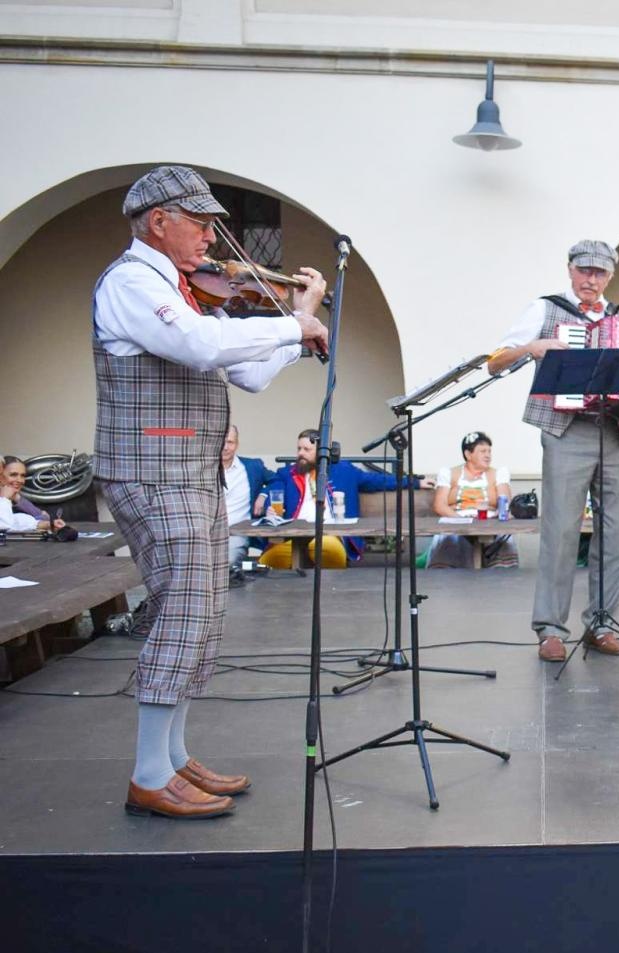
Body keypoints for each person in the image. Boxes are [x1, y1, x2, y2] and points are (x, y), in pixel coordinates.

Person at [95, 165, 327, 818]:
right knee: (183, 611)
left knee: (200, 610)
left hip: (186, 469)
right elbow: (199, 347)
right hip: (151, 466)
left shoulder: (177, 288)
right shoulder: (134, 283)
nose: (210, 235)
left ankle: (170, 757)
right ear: (158, 222)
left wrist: (300, 324)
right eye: (199, 222)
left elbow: (245, 373)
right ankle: (148, 773)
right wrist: (290, 326)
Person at [485, 239, 619, 662]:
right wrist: (533, 349)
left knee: (616, 533)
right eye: (584, 270)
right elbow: (495, 361)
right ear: (570, 270)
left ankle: (602, 623)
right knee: (560, 529)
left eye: (599, 272)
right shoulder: (545, 310)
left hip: (616, 432)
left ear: (610, 275)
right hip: (566, 431)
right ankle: (550, 629)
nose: (591, 279)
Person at [257, 429, 425, 569]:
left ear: (323, 451)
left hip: (331, 534)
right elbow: (274, 489)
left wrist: (415, 482)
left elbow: (378, 480)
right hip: (294, 536)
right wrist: (267, 505)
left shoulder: (345, 471)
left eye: (306, 450)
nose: (300, 453)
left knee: (325, 549)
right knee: (269, 559)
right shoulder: (286, 474)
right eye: (299, 448)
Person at [427, 430, 518, 569]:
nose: (488, 455)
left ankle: (500, 578)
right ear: (468, 454)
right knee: (448, 538)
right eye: (482, 451)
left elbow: (504, 502)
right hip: (456, 520)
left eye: (489, 451)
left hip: (489, 521)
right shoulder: (449, 473)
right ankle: (448, 581)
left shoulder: (498, 474)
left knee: (504, 538)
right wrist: (462, 521)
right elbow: (439, 505)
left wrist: (499, 516)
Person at [219, 427, 270, 565]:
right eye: (221, 442)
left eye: (230, 442)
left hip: (236, 534)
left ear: (237, 444)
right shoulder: (203, 468)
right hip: (204, 535)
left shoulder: (252, 466)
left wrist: (263, 495)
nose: (225, 447)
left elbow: (277, 479)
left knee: (226, 563)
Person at [0, 456, 64, 532]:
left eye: (23, 475)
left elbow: (44, 518)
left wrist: (18, 499)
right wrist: (4, 499)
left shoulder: (13, 498)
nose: (20, 480)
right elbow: (4, 526)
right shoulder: (4, 500)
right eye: (13, 475)